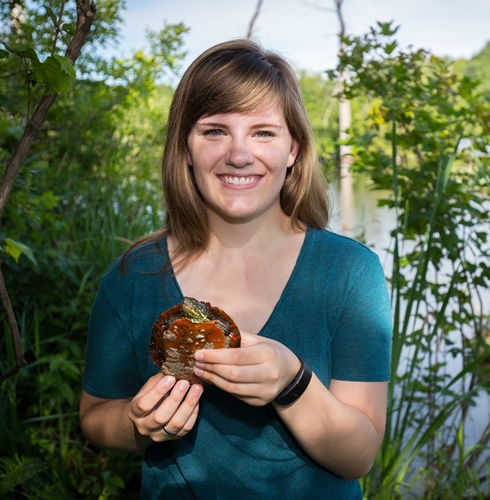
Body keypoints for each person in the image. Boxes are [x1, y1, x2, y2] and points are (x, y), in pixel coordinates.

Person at [79, 39, 392, 499]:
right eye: (214, 131)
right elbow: (94, 419)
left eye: (263, 132)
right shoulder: (132, 278)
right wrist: (138, 424)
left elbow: (359, 456)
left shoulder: (350, 272)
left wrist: (292, 382)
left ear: (294, 151)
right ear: (185, 146)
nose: (239, 154)